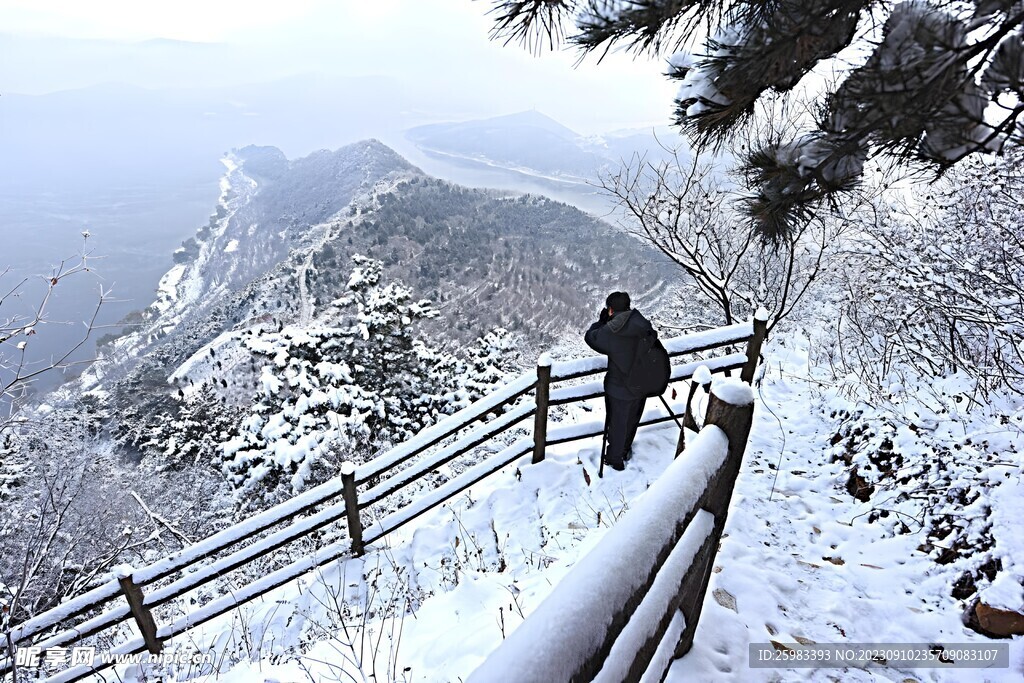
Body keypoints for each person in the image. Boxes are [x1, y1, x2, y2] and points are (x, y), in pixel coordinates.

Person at [584, 291, 655, 471]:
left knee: (617, 423)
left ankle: (615, 460)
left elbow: (591, 337)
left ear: (610, 310)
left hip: (619, 386)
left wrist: (601, 322)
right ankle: (624, 449)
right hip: (641, 382)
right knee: (632, 419)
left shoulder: (612, 331)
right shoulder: (641, 322)